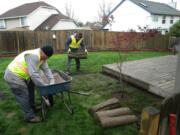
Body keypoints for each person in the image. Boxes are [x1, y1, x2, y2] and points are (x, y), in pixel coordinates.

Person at [4, 45, 55, 123]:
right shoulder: (33, 56)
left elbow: (46, 69)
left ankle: (32, 107)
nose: (47, 59)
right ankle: (29, 117)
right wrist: (44, 86)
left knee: (31, 90)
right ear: (43, 52)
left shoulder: (42, 57)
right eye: (47, 57)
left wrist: (52, 81)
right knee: (23, 96)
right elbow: (34, 74)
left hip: (24, 75)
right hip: (13, 75)